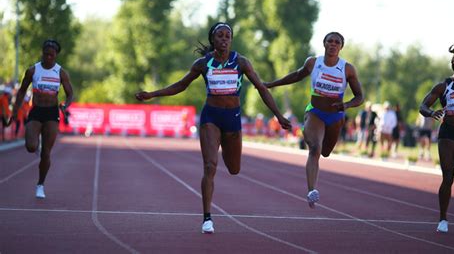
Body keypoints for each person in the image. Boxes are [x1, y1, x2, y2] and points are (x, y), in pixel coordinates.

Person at [135, 22, 291, 234]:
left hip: (232, 118)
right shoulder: (203, 63)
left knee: (234, 169)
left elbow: (261, 88)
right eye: (220, 35)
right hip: (211, 117)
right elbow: (180, 85)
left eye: (228, 35)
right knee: (210, 166)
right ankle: (207, 218)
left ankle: (227, 153)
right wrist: (153, 94)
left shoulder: (241, 62)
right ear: (213, 40)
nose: (224, 39)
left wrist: (278, 115)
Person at [264, 32, 364, 208]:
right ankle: (312, 191)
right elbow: (296, 75)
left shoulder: (347, 69)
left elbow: (360, 97)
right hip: (315, 112)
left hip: (335, 116)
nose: (333, 44)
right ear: (324, 44)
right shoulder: (313, 63)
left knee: (325, 152)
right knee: (314, 149)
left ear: (341, 47)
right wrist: (272, 84)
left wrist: (347, 105)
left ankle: (314, 180)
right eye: (330, 41)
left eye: (337, 42)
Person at [7, 39, 73, 199]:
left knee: (46, 153)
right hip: (36, 111)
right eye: (46, 54)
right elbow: (22, 91)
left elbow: (70, 93)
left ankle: (40, 184)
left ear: (56, 55)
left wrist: (65, 105)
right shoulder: (32, 70)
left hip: (51, 113)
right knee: (30, 146)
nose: (48, 57)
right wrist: (15, 111)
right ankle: (36, 145)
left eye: (51, 55)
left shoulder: (60, 72)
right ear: (42, 53)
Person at [419, 45, 454, 233]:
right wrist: (431, 112)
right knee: (447, 177)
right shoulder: (444, 86)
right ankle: (443, 219)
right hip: (448, 133)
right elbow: (423, 105)